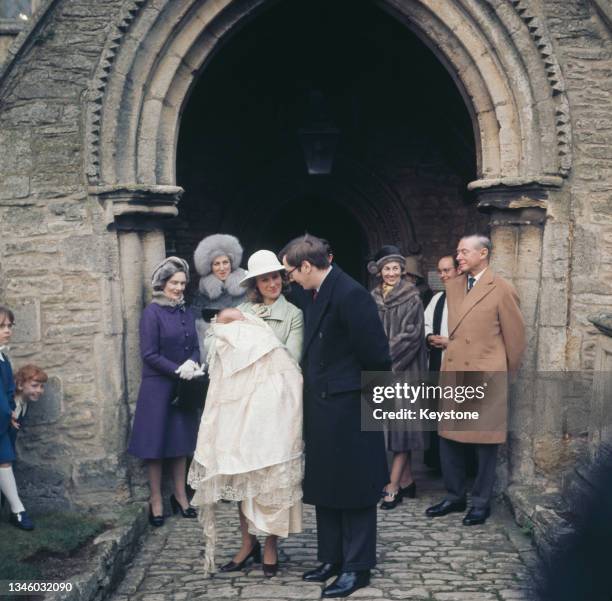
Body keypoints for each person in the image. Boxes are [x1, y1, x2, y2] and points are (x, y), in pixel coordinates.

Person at [282, 234, 391, 599]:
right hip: (323, 407)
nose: (290, 279)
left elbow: (377, 355)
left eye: (292, 272)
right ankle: (331, 558)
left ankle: (357, 567)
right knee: (327, 485)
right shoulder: (312, 293)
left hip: (350, 406)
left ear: (307, 266)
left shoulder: (351, 294)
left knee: (356, 486)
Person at [189, 250, 303, 577]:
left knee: (273, 477)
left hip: (276, 406)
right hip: (242, 405)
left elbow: (292, 357)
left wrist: (255, 340)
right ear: (254, 283)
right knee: (244, 473)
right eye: (265, 279)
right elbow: (218, 351)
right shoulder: (239, 312)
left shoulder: (293, 314)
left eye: (276, 277)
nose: (272, 283)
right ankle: (247, 542)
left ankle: (270, 546)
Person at [425, 234, 526, 526]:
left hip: (486, 375)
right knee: (449, 439)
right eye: (457, 251)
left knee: (485, 444)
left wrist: (505, 379)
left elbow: (515, 340)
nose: (459, 257)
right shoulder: (453, 285)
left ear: (483, 253)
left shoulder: (502, 288)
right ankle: (455, 496)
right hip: (455, 371)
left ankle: (481, 502)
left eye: (464, 252)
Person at [128, 257, 201, 527]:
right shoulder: (152, 313)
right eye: (174, 283)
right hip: (158, 387)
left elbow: (194, 344)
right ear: (162, 284)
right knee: (155, 446)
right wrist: (176, 369)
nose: (179, 288)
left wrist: (193, 362)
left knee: (180, 445)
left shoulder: (186, 312)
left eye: (182, 283)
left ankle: (181, 496)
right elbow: (148, 353)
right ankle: (156, 499)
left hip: (183, 386)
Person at [368, 245, 428, 510]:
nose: (391, 273)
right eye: (387, 269)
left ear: (402, 271)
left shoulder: (411, 297)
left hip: (404, 371)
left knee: (402, 427)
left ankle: (392, 486)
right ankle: (407, 481)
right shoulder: (373, 298)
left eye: (395, 268)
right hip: (381, 371)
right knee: (384, 429)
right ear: (380, 272)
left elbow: (412, 336)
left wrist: (385, 359)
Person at [423, 255, 459, 471]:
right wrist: (429, 337)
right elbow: (426, 323)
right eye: (440, 271)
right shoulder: (437, 299)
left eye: (447, 270)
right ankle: (437, 463)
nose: (443, 275)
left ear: (458, 271)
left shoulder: (469, 297)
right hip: (438, 365)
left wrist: (450, 342)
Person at [0, 306, 34, 530]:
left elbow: (9, 389)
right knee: (4, 460)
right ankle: (18, 509)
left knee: (5, 460)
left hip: (4, 418)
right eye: (2, 326)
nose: (7, 331)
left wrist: (11, 412)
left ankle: (16, 509)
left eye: (10, 326)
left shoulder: (4, 358)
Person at [191, 233, 247, 359]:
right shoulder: (202, 291)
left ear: (231, 263)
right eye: (216, 264)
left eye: (225, 262)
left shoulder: (245, 285)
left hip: (241, 348)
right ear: (210, 267)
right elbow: (195, 322)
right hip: (212, 349)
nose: (222, 268)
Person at [10, 365, 49, 450]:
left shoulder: (24, 405)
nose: (39, 390)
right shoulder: (9, 404)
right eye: (34, 385)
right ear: (20, 385)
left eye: (41, 386)